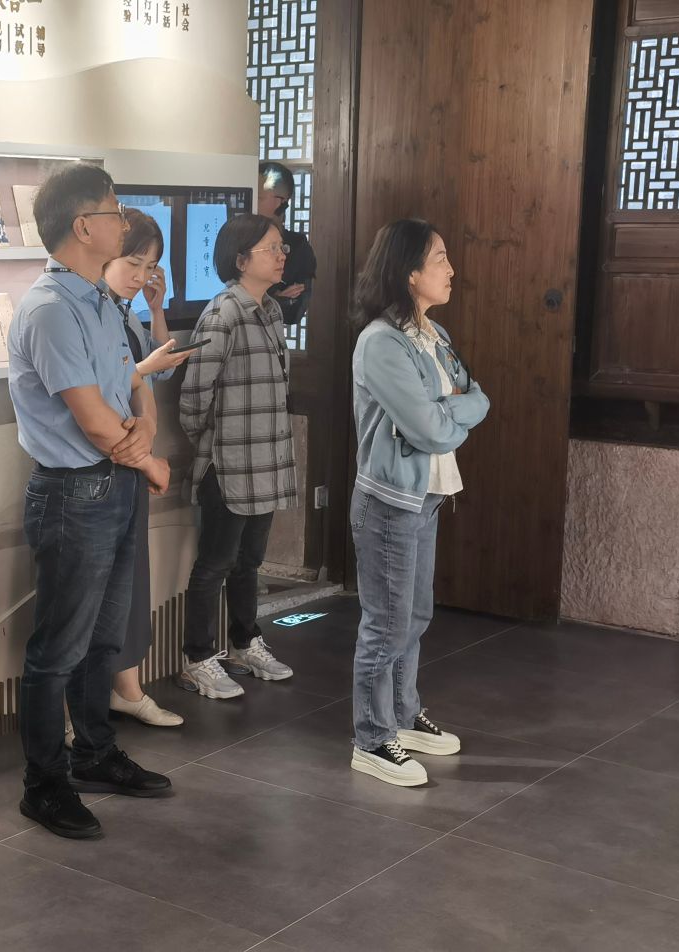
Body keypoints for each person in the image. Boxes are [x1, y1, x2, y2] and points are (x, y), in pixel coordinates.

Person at [8, 162, 176, 841]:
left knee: (104, 638)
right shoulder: (51, 308)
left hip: (114, 484)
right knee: (58, 649)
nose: (123, 220)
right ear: (84, 226)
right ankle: (44, 784)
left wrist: (146, 428)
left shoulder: (101, 300)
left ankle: (95, 753)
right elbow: (95, 422)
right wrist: (149, 459)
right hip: (75, 493)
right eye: (113, 210)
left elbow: (132, 386)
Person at [346, 219, 485, 788]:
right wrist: (451, 412)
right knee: (386, 624)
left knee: (416, 615)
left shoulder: (434, 334)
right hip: (389, 501)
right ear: (409, 273)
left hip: (428, 496)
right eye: (440, 258)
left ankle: (403, 715)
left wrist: (450, 410)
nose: (451, 269)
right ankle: (372, 738)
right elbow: (431, 429)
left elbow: (480, 398)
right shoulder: (381, 342)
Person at [176, 214, 300, 700]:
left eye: (281, 247)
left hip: (265, 459)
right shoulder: (223, 313)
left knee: (250, 561)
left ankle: (245, 643)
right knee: (215, 564)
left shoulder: (271, 310)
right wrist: (214, 444)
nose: (282, 255)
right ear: (241, 259)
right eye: (272, 248)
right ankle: (198, 658)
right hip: (228, 464)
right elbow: (194, 397)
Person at [99, 206, 192, 729]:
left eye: (149, 266)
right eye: (133, 263)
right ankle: (83, 705)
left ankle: (127, 689)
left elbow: (152, 372)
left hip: (132, 459)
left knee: (132, 581)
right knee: (93, 593)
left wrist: (156, 311)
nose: (140, 276)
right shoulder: (86, 309)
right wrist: (145, 370)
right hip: (105, 461)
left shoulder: (126, 310)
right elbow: (102, 388)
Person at [257, 161, 317, 327]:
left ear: (280, 202)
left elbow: (293, 312)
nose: (252, 200)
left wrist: (274, 300)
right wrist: (276, 297)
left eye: (259, 197)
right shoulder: (238, 238)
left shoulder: (298, 246)